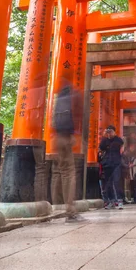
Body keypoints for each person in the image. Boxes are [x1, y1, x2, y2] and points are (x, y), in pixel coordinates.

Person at [52, 84, 86, 223]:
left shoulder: (59, 96)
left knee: (60, 172)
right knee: (70, 174)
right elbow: (76, 116)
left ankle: (57, 206)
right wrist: (74, 135)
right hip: (65, 137)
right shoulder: (73, 95)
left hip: (56, 138)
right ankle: (70, 211)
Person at [98, 125, 124, 209]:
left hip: (116, 163)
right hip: (107, 164)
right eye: (108, 132)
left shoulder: (118, 140)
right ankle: (111, 201)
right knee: (108, 184)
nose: (110, 133)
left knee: (116, 182)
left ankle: (119, 200)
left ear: (114, 131)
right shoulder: (104, 140)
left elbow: (120, 147)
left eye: (111, 131)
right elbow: (101, 147)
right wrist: (104, 136)